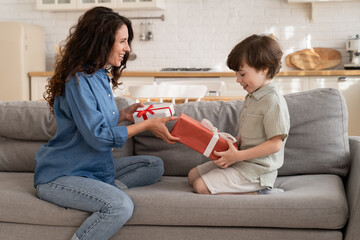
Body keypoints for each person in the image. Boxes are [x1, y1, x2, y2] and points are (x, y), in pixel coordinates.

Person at [33, 6, 179, 240]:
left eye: (127, 41)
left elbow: (90, 120)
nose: (127, 48)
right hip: (63, 175)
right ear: (102, 41)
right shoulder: (77, 80)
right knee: (120, 206)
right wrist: (146, 126)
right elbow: (98, 136)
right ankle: (104, 192)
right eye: (122, 41)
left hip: (92, 168)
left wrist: (124, 115)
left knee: (154, 165)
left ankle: (102, 188)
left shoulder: (100, 75)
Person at [188, 34, 290, 195]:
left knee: (200, 186)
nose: (237, 79)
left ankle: (261, 194)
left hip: (256, 170)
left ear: (264, 69)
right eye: (237, 74)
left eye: (242, 74)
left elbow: (275, 145)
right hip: (241, 160)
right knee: (192, 176)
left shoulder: (273, 101)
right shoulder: (252, 97)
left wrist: (237, 156)